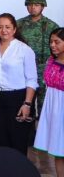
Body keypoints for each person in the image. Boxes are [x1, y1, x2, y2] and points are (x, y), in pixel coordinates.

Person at [0, 13, 37, 156]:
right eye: (0, 27)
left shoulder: (24, 50)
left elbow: (32, 80)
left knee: (17, 139)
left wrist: (27, 104)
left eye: (7, 27)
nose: (3, 30)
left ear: (14, 29)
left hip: (17, 98)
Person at [17, 0, 59, 114]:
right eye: (30, 4)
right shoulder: (19, 24)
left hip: (45, 69)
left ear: (42, 6)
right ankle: (28, 133)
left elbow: (60, 47)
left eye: (36, 4)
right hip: (24, 69)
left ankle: (43, 132)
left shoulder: (51, 26)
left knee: (45, 106)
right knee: (25, 104)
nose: (33, 7)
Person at [33, 28, 64, 177]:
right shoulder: (51, 61)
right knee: (59, 151)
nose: (52, 45)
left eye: (57, 42)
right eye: (51, 41)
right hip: (54, 111)